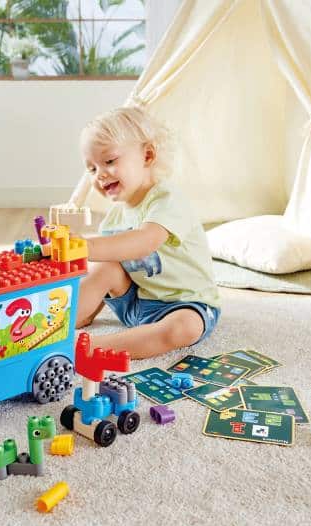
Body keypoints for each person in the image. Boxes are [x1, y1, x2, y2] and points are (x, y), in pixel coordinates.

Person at [75, 106, 220, 359]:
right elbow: (110, 268)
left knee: (185, 328)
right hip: (137, 302)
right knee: (106, 266)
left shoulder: (168, 200)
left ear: (148, 155)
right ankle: (61, 324)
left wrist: (84, 247)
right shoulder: (114, 218)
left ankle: (94, 347)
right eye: (92, 169)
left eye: (109, 161)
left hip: (185, 304)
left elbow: (145, 241)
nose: (100, 175)